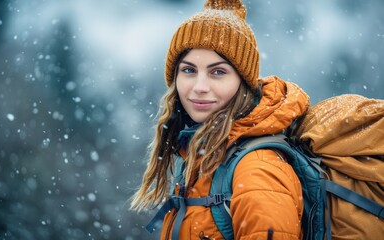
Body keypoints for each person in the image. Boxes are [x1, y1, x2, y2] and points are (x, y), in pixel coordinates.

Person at [131, 0, 310, 239]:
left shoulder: (257, 170)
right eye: (188, 70)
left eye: (218, 72)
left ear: (242, 83)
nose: (200, 87)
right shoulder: (201, 156)